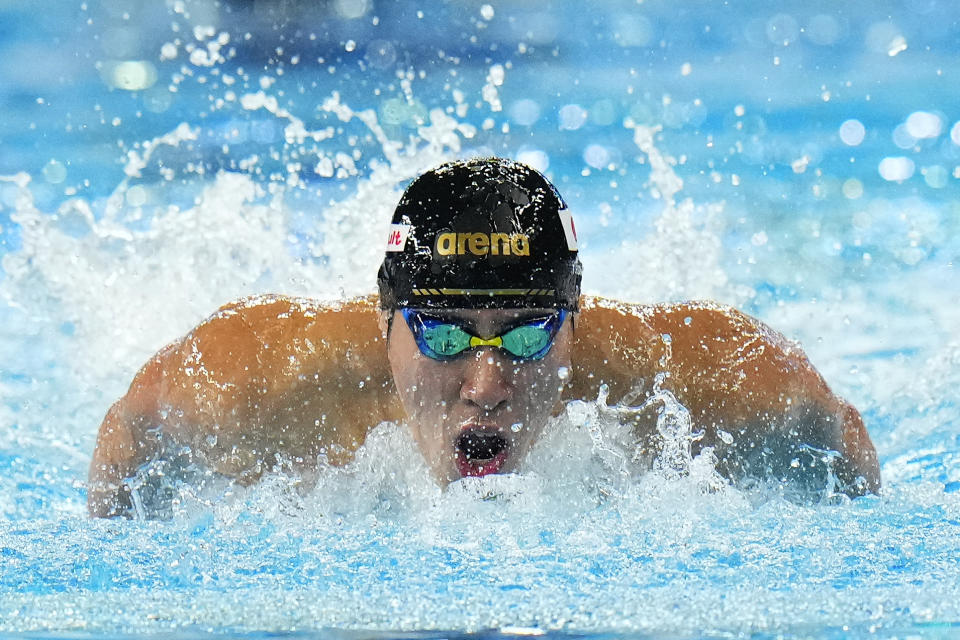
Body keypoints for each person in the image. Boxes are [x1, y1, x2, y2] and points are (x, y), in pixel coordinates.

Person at [87, 158, 880, 517]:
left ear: (576, 321)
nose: (488, 385)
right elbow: (125, 436)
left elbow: (841, 445)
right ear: (385, 318)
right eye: (445, 338)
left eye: (529, 338)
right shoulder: (250, 382)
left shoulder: (712, 382)